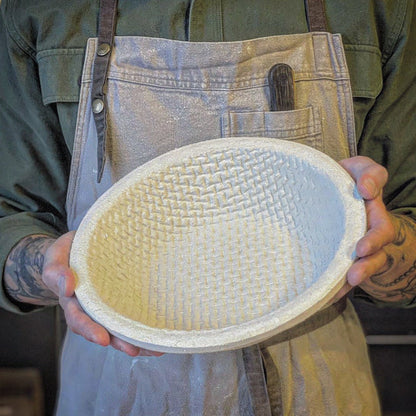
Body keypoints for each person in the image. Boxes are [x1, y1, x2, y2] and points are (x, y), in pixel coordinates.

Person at [1, 0, 415, 414]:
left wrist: (384, 244)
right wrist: (47, 266)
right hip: (119, 383)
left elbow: (407, 228)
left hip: (320, 384)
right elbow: (12, 218)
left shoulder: (381, 9)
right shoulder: (38, 10)